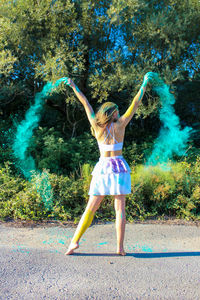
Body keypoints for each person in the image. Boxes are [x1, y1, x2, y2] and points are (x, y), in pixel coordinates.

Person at [65, 72, 153, 255]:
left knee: (91, 207)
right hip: (119, 168)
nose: (120, 112)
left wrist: (74, 86)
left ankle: (74, 242)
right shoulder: (121, 124)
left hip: (103, 168)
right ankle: (120, 248)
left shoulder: (97, 127)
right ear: (113, 113)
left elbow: (86, 104)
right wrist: (144, 83)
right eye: (117, 111)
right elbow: (135, 103)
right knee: (120, 209)